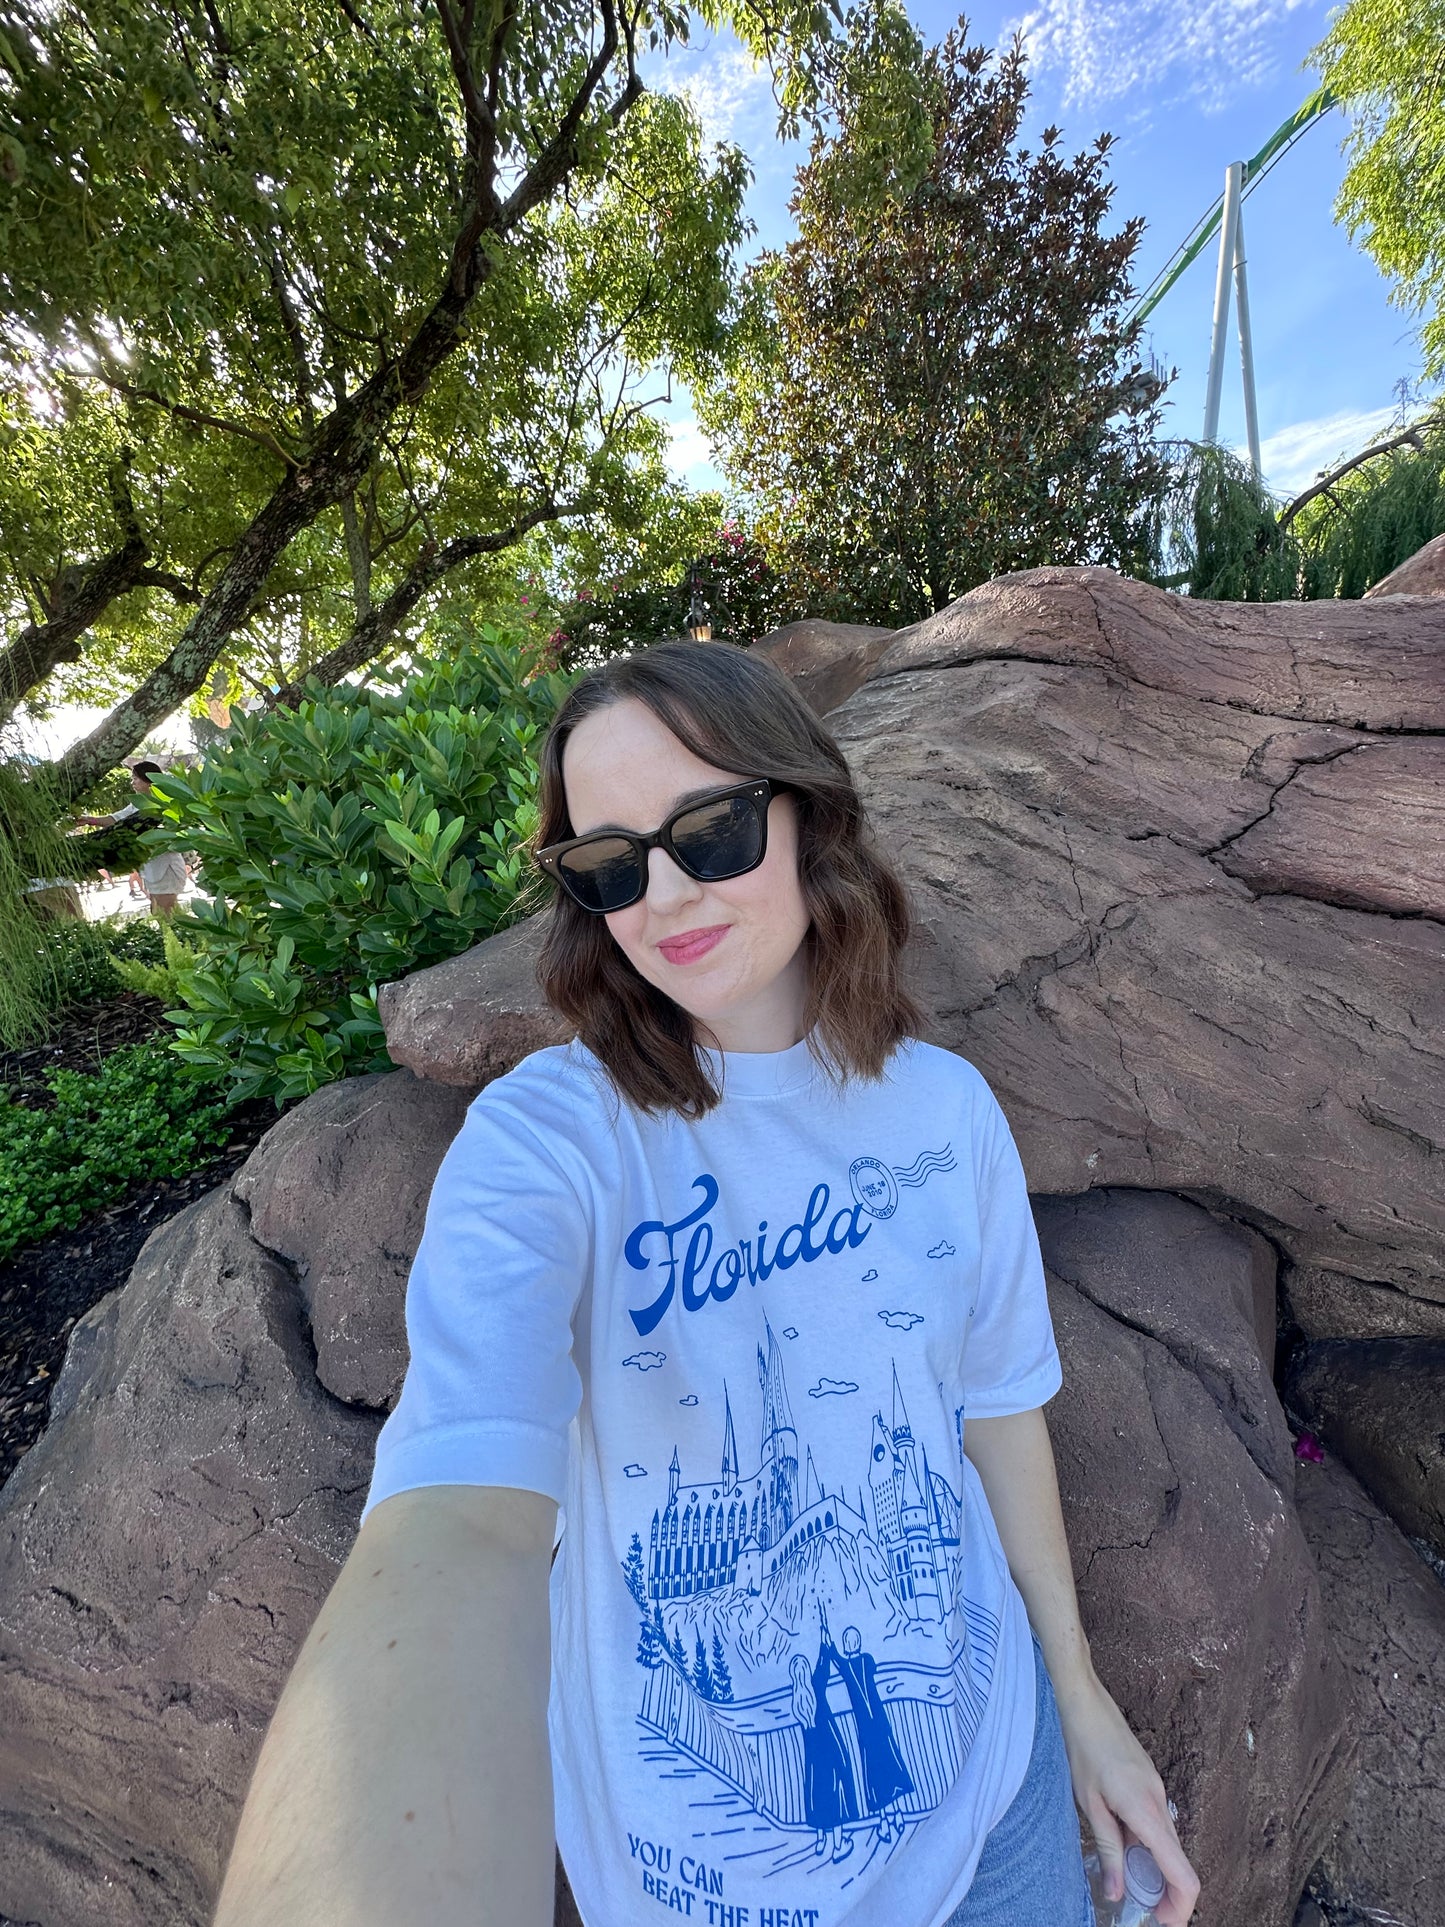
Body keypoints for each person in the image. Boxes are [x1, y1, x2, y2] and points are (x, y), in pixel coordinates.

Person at [214, 641, 1201, 1927]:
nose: (664, 892)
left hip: (986, 1814)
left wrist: (1078, 1700)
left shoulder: (945, 1115)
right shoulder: (545, 1143)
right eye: (611, 863)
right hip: (703, 1886)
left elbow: (995, 1413)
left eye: (711, 829)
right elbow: (457, 1511)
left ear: (805, 814)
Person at [74, 760, 188, 915]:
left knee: (165, 912)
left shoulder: (165, 803)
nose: (132, 782)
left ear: (149, 780)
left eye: (135, 778)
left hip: (165, 866)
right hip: (151, 867)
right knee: (158, 910)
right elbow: (116, 819)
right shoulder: (137, 804)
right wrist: (90, 820)